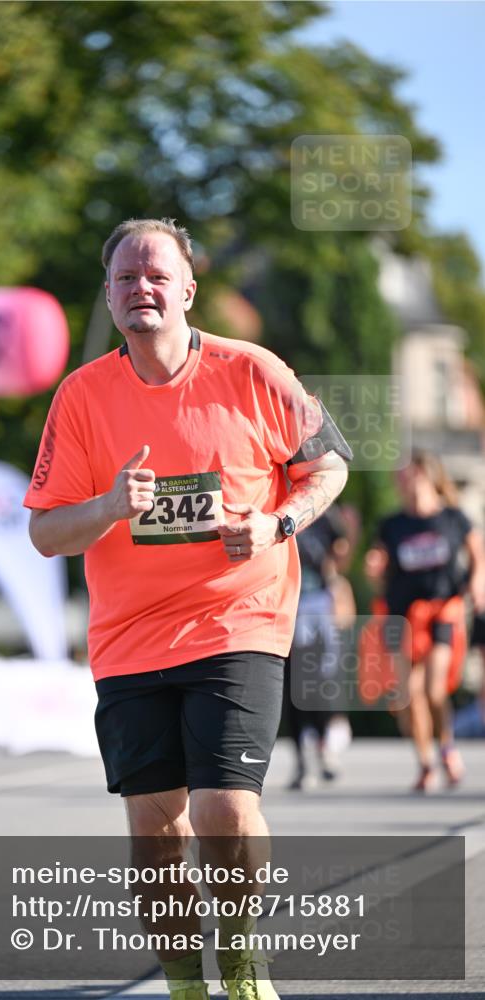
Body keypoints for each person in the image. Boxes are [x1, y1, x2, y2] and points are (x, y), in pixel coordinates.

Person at [25, 218, 351, 1000]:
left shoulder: (251, 372)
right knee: (155, 832)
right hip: (130, 641)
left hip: (237, 622)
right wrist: (106, 505)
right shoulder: (82, 396)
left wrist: (275, 524)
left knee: (224, 810)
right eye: (126, 278)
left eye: (157, 276)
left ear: (186, 290)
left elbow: (328, 467)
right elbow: (44, 532)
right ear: (108, 295)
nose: (142, 287)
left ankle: (238, 968)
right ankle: (183, 986)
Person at [364, 451, 485, 792]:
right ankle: (426, 763)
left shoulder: (452, 518)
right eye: (401, 479)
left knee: (433, 689)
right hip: (403, 615)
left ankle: (446, 747)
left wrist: (477, 584)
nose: (407, 484)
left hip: (442, 610)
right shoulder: (392, 524)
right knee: (408, 694)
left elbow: (477, 553)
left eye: (412, 476)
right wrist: (374, 566)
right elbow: (379, 564)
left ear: (428, 476)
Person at [284, 507, 354, 789]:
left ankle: (324, 745)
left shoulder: (323, 512)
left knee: (318, 679)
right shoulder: (273, 503)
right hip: (287, 601)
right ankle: (301, 759)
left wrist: (336, 578)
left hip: (317, 604)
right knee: (290, 684)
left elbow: (342, 545)